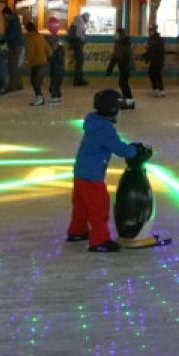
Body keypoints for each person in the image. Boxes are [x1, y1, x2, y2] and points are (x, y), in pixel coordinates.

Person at [67, 89, 147, 252]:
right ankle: (99, 240)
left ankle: (77, 231)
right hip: (92, 175)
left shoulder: (94, 121)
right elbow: (118, 148)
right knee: (99, 206)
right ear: (111, 110)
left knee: (81, 204)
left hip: (81, 172)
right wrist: (134, 150)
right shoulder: (105, 129)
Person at [105, 28, 135, 110]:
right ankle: (127, 101)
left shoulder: (125, 41)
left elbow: (127, 53)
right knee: (122, 84)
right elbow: (115, 56)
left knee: (124, 84)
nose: (116, 35)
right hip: (122, 66)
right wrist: (110, 69)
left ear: (121, 34)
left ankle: (130, 103)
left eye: (117, 34)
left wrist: (122, 48)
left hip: (126, 66)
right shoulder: (118, 42)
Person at [23, 22, 51, 107]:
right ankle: (39, 98)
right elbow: (48, 49)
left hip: (37, 63)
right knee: (36, 80)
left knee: (34, 80)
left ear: (28, 30)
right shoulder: (40, 36)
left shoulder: (30, 38)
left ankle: (39, 98)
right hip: (44, 62)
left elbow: (31, 52)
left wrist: (27, 61)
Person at [1, 7, 23, 92]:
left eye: (4, 15)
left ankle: (13, 87)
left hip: (16, 46)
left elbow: (13, 34)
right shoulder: (10, 21)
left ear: (7, 14)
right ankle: (19, 85)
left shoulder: (14, 21)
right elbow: (7, 34)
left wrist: (4, 40)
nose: (3, 17)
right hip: (13, 46)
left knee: (12, 67)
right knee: (13, 66)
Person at [48, 18, 70, 103]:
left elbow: (52, 57)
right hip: (58, 68)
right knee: (56, 83)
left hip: (57, 69)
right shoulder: (60, 45)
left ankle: (55, 97)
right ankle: (57, 96)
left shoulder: (57, 50)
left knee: (55, 83)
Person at [68, 12, 91, 87]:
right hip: (77, 43)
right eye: (88, 18)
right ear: (86, 17)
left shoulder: (78, 20)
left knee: (80, 61)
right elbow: (79, 34)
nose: (88, 20)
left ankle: (79, 79)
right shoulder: (80, 21)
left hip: (76, 43)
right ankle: (77, 80)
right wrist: (84, 39)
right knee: (80, 61)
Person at [144, 25, 167, 97]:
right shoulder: (154, 39)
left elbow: (155, 50)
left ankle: (157, 90)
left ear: (154, 31)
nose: (150, 32)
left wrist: (148, 46)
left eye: (151, 31)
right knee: (156, 75)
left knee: (153, 74)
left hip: (156, 60)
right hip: (156, 60)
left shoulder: (156, 39)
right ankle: (160, 90)